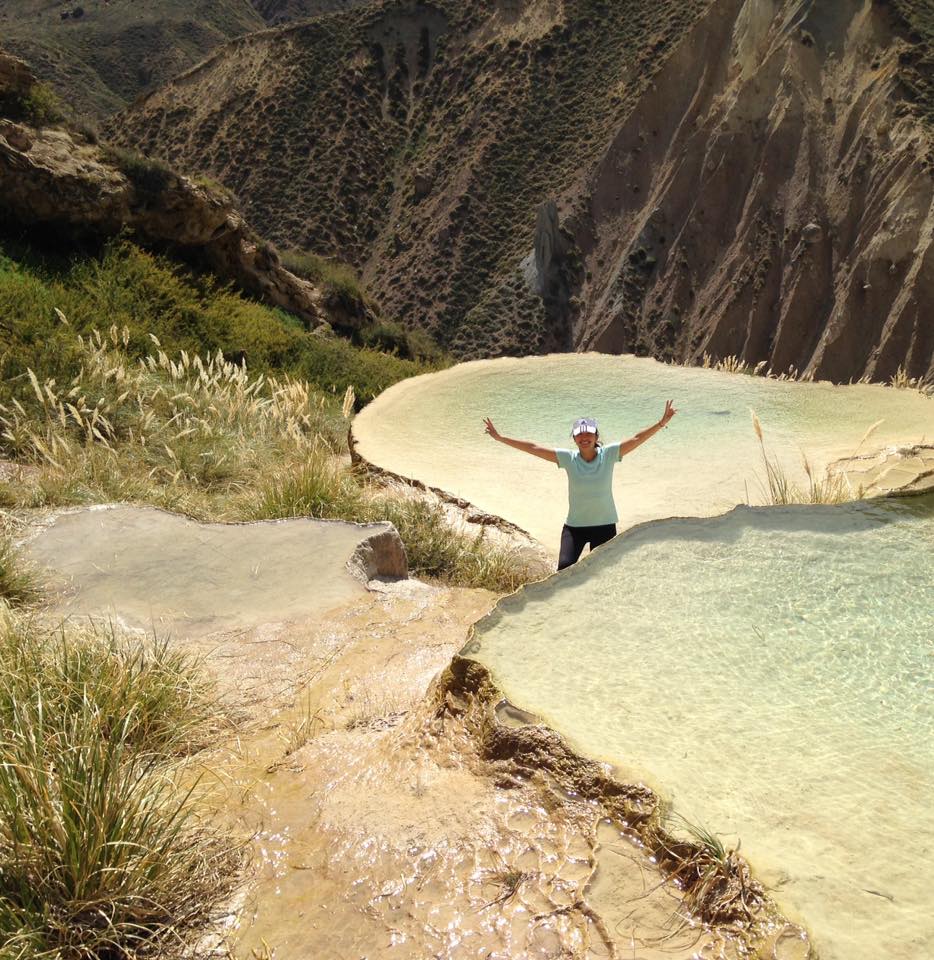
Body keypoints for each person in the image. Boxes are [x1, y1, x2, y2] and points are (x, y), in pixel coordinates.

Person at [484, 401, 677, 570]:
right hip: (575, 527)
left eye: (589, 434)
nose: (584, 438)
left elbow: (636, 439)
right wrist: (500, 438)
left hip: (605, 526)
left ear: (596, 436)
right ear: (574, 438)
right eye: (579, 434)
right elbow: (533, 448)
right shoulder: (568, 458)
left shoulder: (609, 454)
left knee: (602, 575)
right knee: (564, 570)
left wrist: (661, 423)